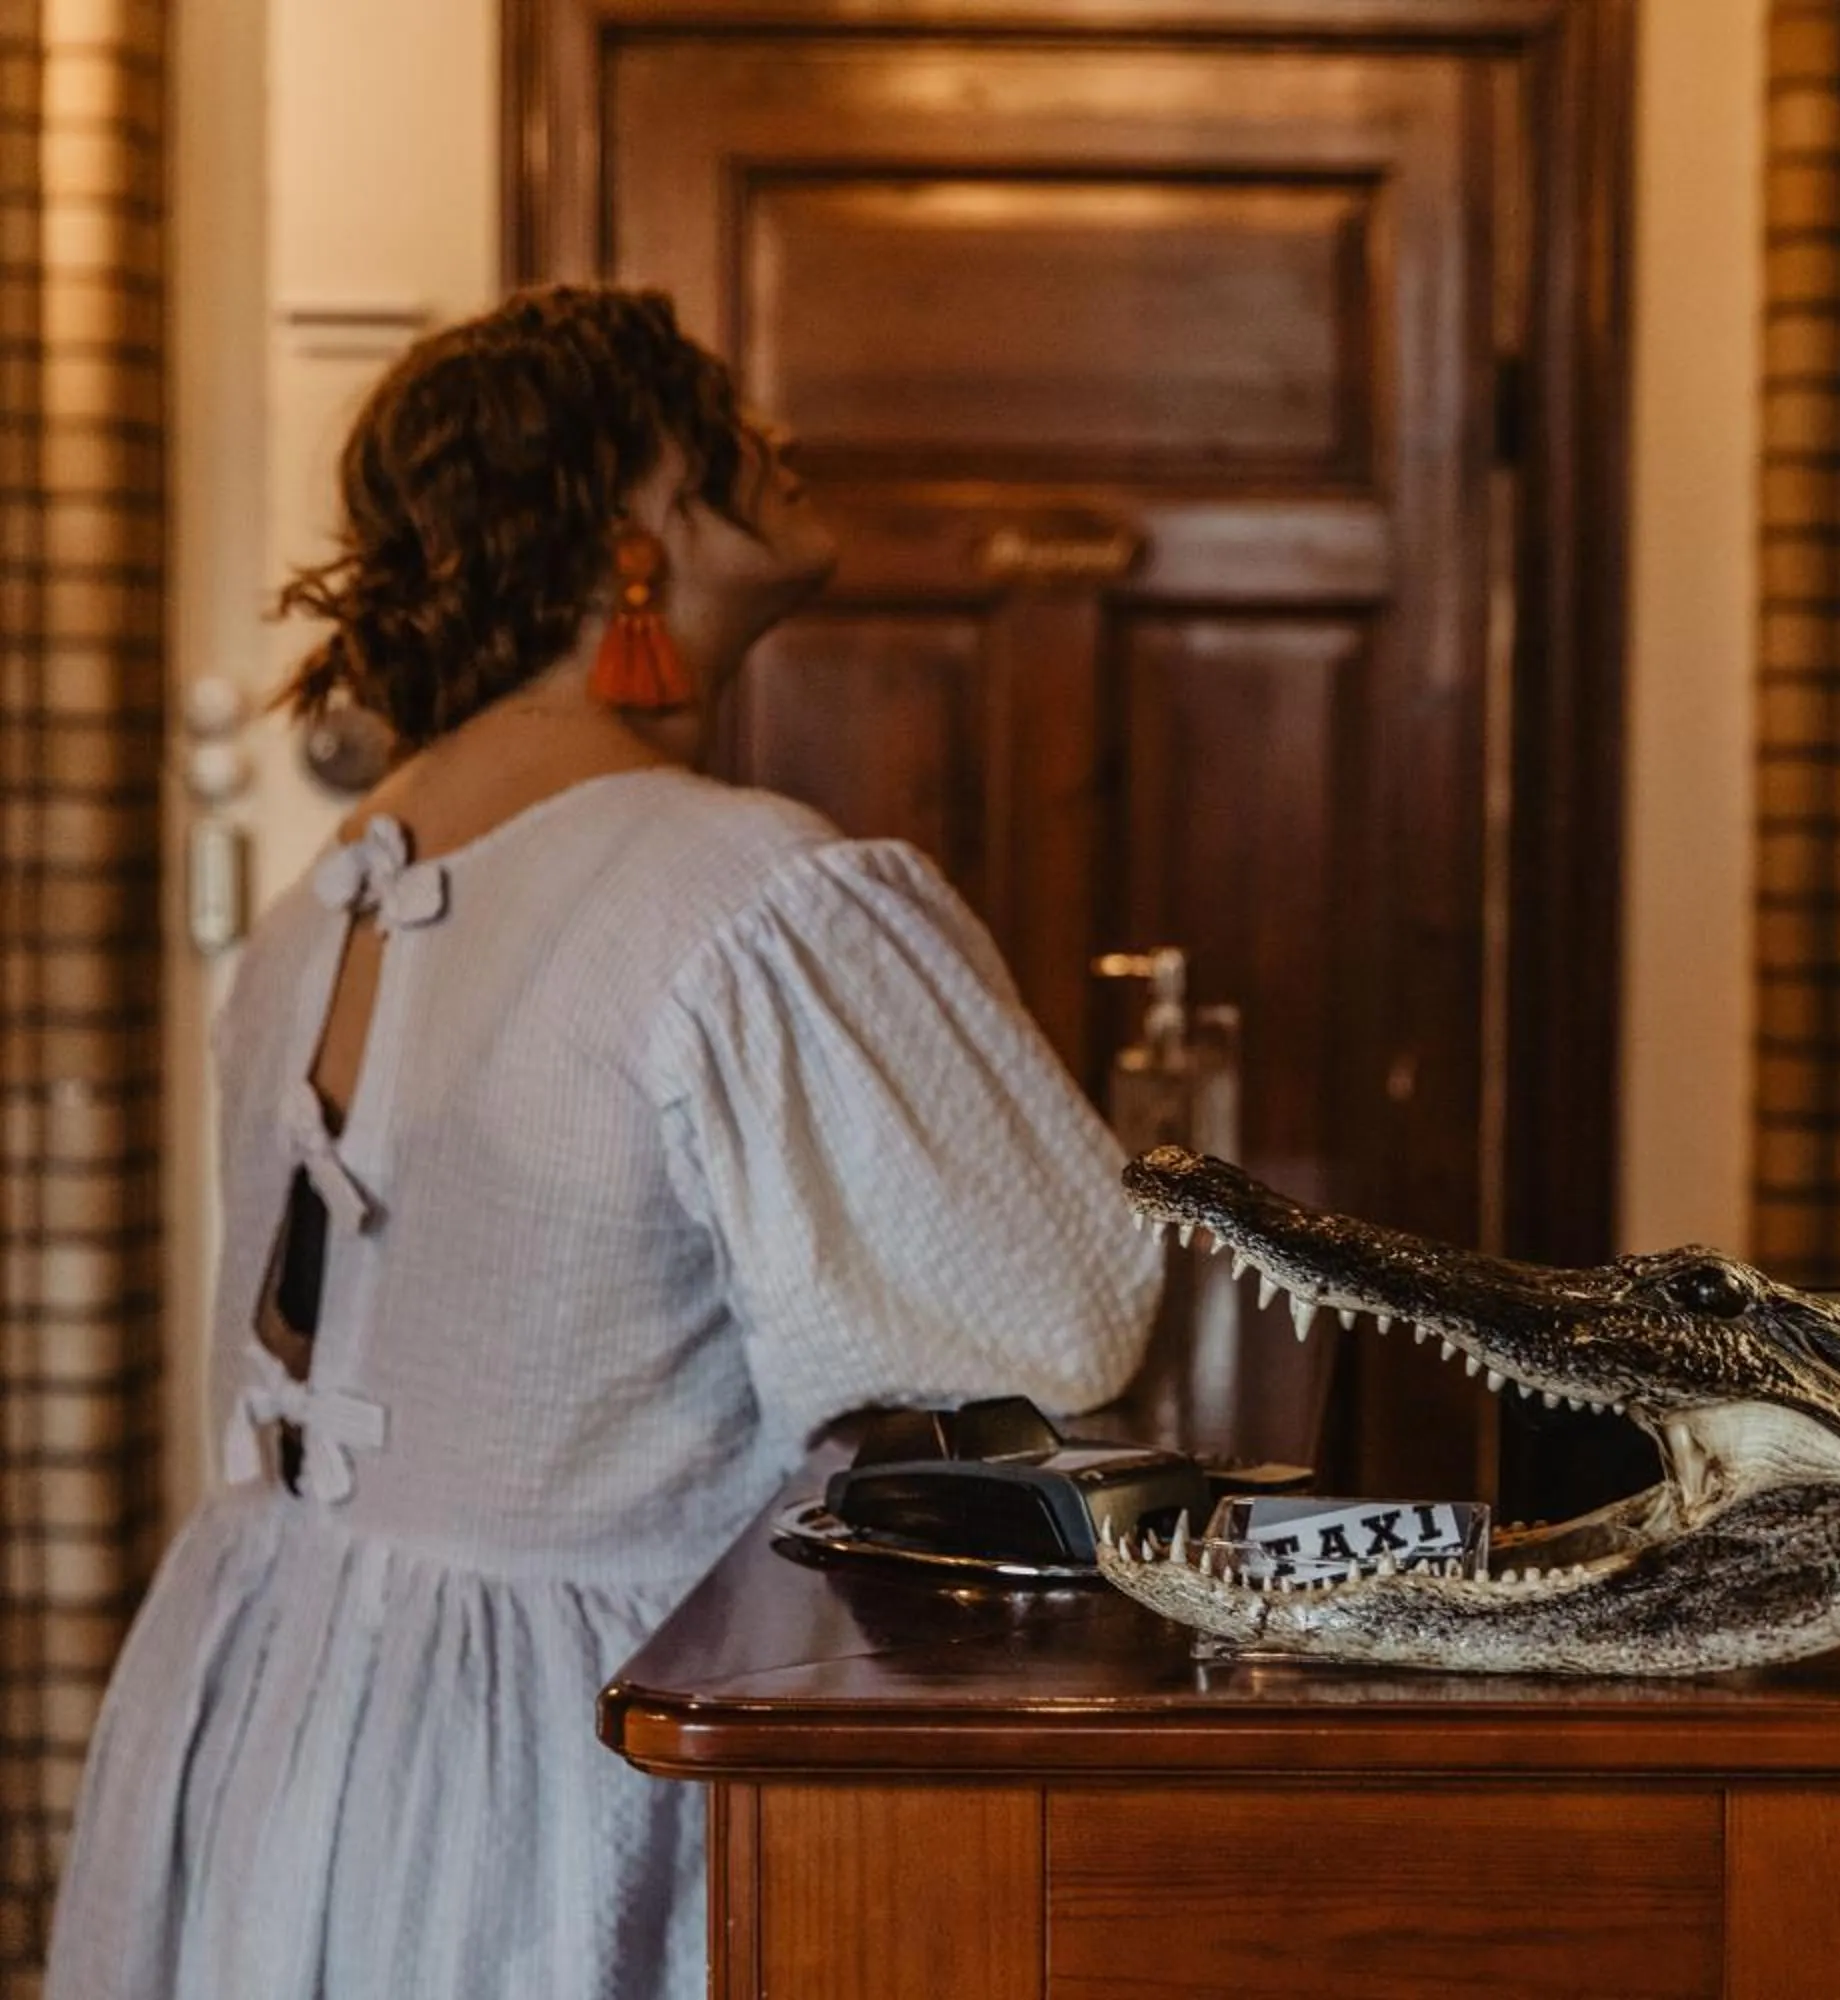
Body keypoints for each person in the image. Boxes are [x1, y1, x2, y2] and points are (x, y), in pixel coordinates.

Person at [44, 286, 1159, 1998]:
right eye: (713, 417)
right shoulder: (741, 894)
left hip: (271, 1710)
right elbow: (1066, 1307)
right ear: (634, 522)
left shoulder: (323, 895)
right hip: (557, 1761)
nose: (769, 438)